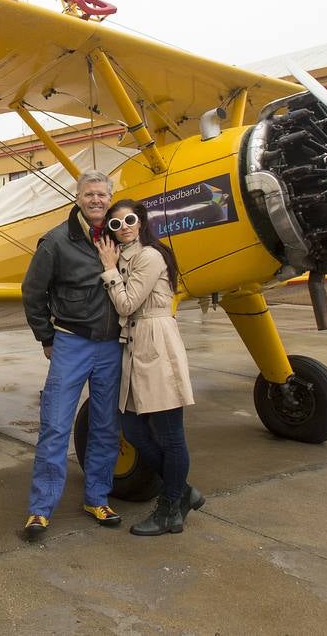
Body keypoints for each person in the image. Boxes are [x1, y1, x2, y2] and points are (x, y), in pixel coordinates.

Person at [20, 169, 124, 540]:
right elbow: (33, 292)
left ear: (110, 198)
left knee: (106, 426)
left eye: (102, 195)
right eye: (89, 194)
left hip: (112, 345)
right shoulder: (56, 241)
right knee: (55, 425)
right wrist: (46, 337)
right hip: (71, 342)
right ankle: (40, 508)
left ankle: (97, 497)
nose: (96, 200)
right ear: (78, 197)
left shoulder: (121, 235)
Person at [96, 198, 205, 537]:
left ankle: (170, 507)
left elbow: (127, 303)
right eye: (115, 224)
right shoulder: (126, 255)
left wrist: (109, 268)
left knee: (171, 435)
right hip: (135, 345)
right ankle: (183, 491)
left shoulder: (150, 256)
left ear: (140, 221)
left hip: (156, 342)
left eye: (129, 219)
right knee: (134, 429)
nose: (124, 226)